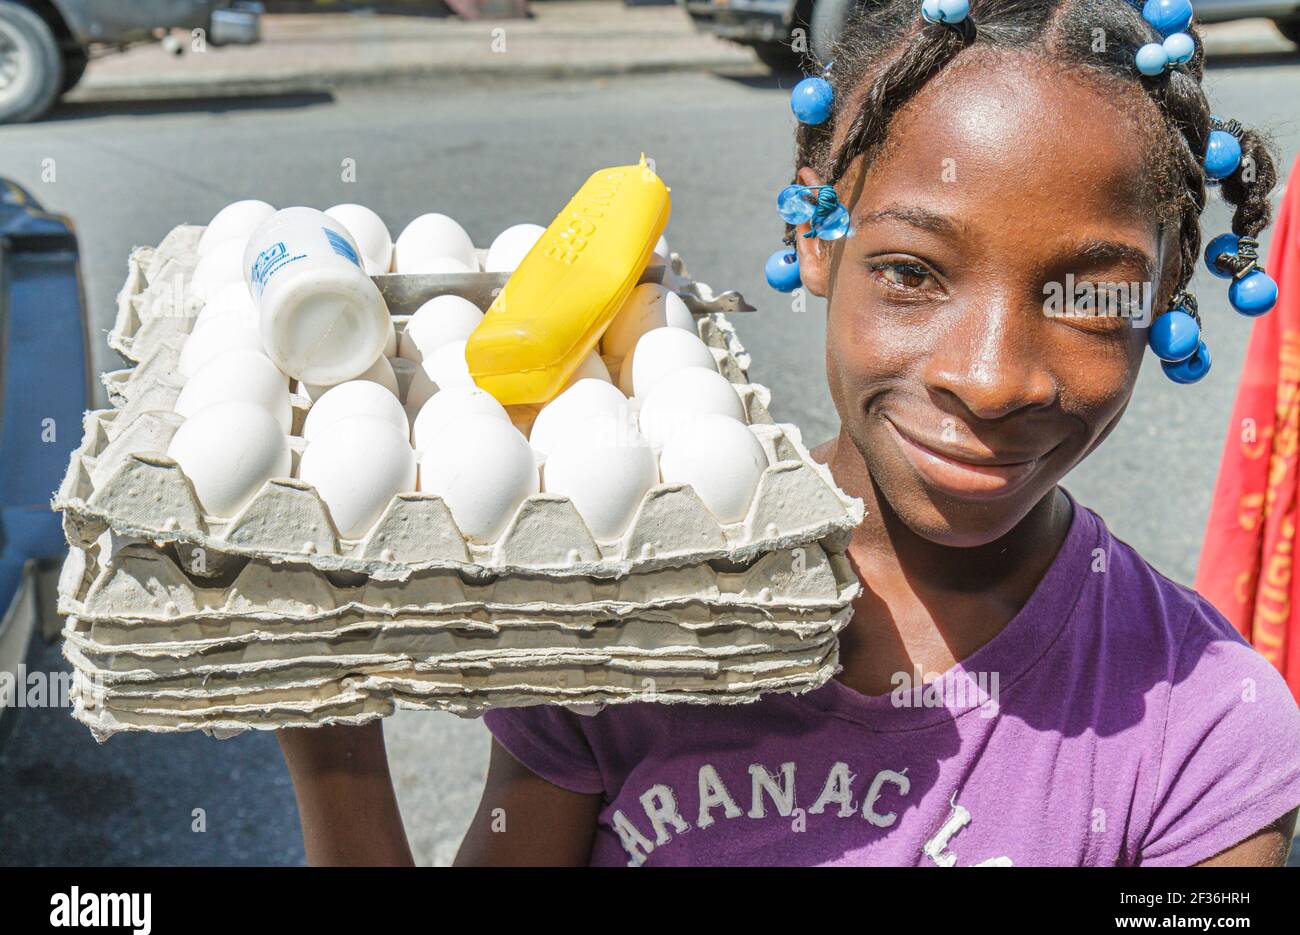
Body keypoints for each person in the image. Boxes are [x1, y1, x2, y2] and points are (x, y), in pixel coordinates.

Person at [277, 0, 1300, 866]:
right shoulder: (635, 597)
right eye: (911, 272)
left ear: (1166, 288)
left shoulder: (1204, 736)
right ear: (815, 233)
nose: (990, 378)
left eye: (1084, 295)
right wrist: (334, 728)